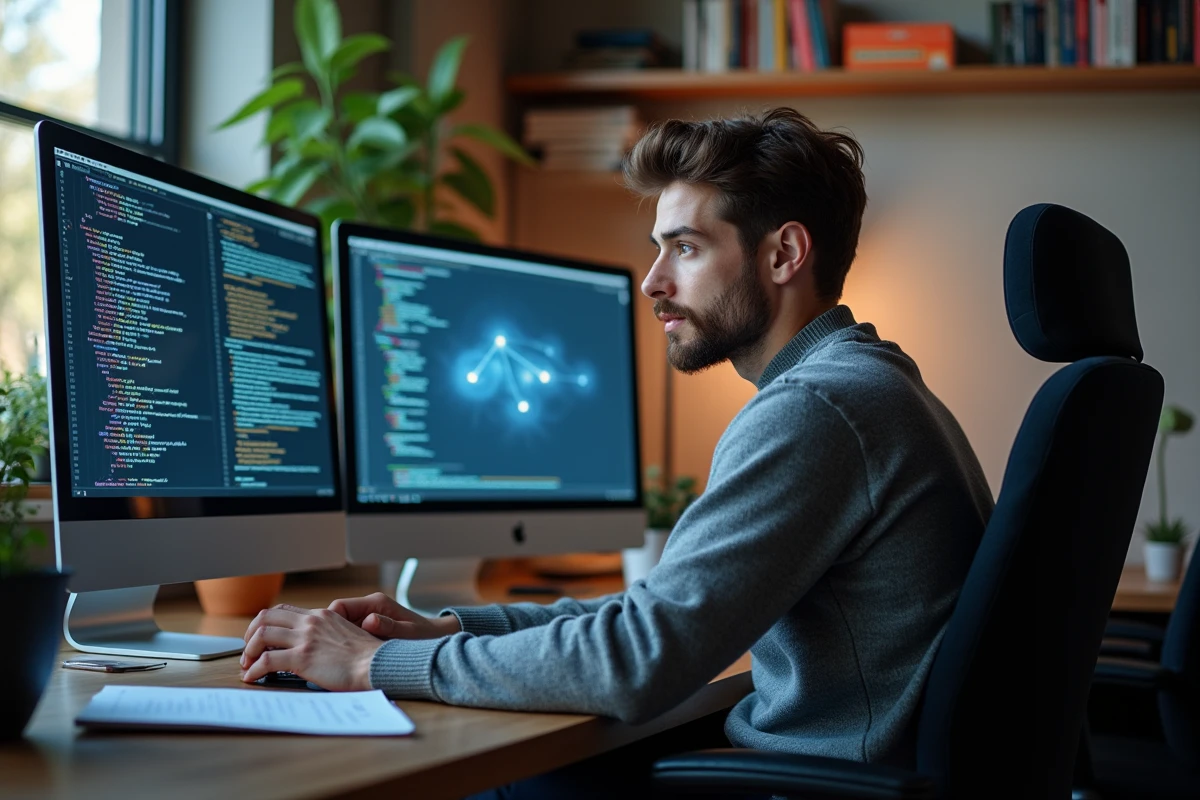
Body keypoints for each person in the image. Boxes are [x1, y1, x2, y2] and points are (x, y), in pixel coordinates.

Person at [240, 108, 994, 796]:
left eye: (687, 248)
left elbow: (637, 661)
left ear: (784, 254)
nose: (653, 283)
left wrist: (372, 665)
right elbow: (657, 613)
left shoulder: (815, 410)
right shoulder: (869, 384)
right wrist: (454, 631)